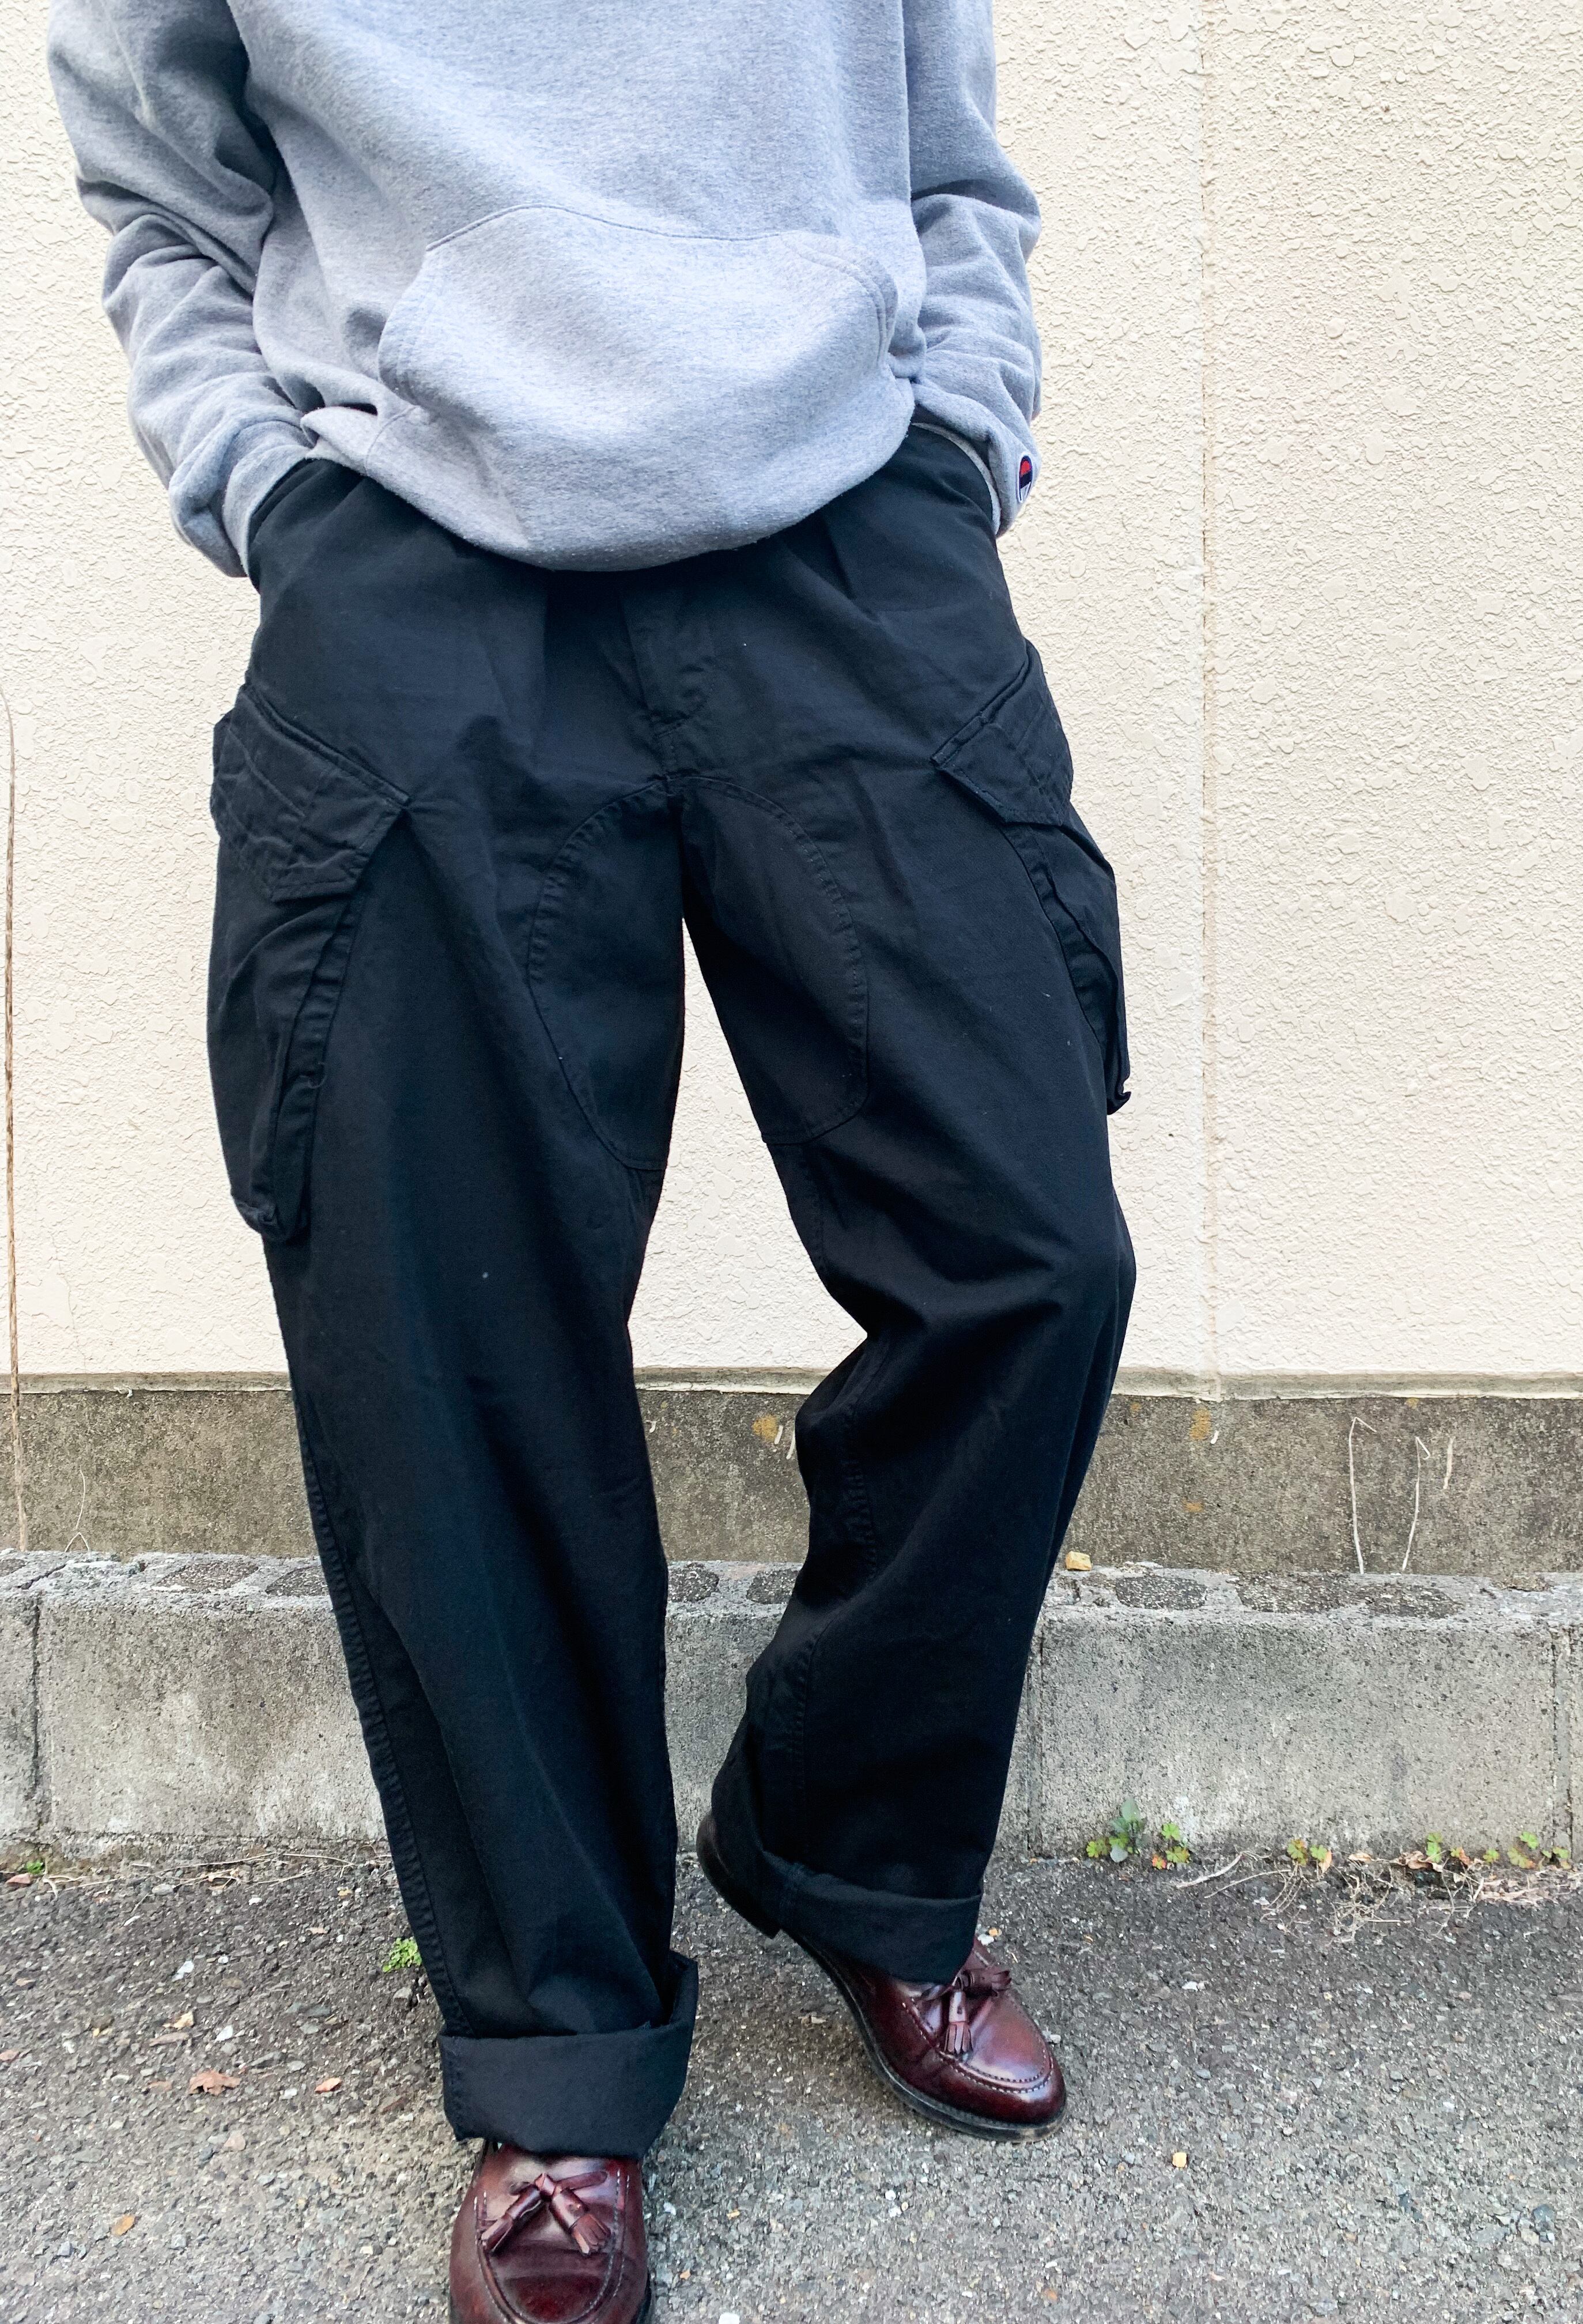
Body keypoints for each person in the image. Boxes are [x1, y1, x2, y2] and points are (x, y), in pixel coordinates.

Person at [49, 3, 1136, 2314]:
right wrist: (274, 489)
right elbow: (161, 174)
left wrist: (959, 432)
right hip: (415, 566)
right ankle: (558, 2055)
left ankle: (852, 1848)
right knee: (448, 1342)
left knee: (1029, 1252)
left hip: (847, 527)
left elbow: (949, 155)